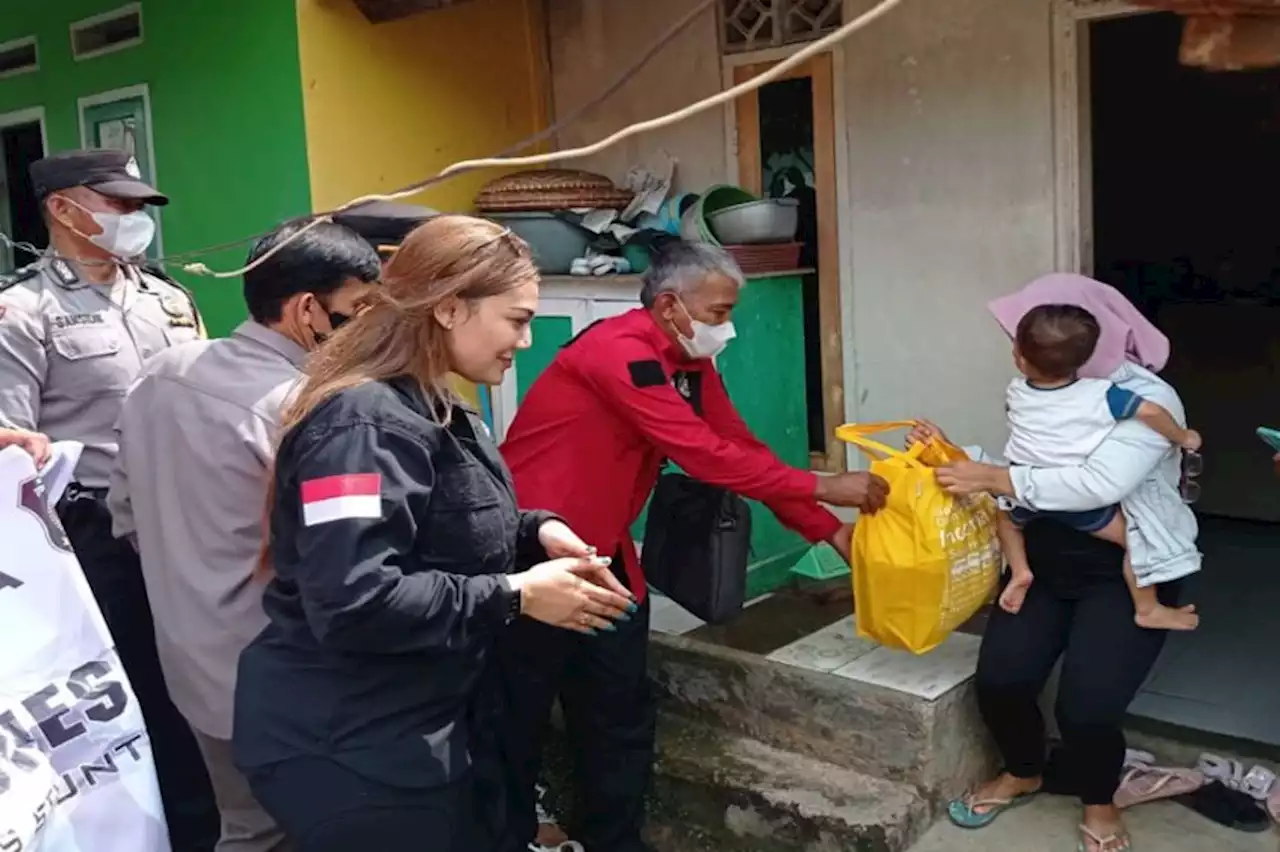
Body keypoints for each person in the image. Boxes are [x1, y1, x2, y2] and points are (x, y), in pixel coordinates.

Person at [231, 214, 637, 852]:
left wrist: (540, 532)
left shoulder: (437, 405)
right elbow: (352, 599)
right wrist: (516, 595)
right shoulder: (363, 426)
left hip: (421, 729)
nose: (525, 342)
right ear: (449, 309)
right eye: (518, 319)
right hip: (351, 745)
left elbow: (446, 523)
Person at [497, 241, 890, 852]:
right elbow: (701, 455)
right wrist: (826, 485)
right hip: (533, 552)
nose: (726, 328)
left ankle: (614, 840)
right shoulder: (615, 352)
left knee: (620, 711)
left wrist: (827, 528)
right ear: (672, 306)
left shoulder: (689, 364)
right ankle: (511, 831)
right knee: (517, 711)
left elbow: (740, 449)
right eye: (718, 312)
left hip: (605, 555)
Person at [107, 220, 382, 851]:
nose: (369, 329)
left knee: (246, 828)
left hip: (187, 661)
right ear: (309, 310)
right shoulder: (308, 409)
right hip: (283, 677)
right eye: (360, 310)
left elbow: (124, 512)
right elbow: (344, 560)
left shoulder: (161, 372)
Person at [930, 273, 1202, 852]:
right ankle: (1024, 769)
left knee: (1087, 707)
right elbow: (1035, 459)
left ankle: (1099, 802)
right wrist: (962, 461)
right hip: (1048, 559)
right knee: (1002, 681)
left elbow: (1097, 482)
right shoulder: (1042, 384)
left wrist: (993, 477)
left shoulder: (1147, 396)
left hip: (1126, 566)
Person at [0, 148, 219, 849]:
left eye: (137, 207)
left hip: (186, 524)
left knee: (201, 686)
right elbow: (11, 436)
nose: (134, 220)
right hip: (95, 538)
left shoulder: (169, 299)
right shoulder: (22, 312)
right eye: (117, 205)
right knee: (135, 696)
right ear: (62, 208)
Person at [995, 303, 1202, 631]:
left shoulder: (1016, 391)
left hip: (1022, 491)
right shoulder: (1102, 395)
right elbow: (1149, 413)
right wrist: (1181, 436)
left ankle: (1020, 571)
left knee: (1005, 520)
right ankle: (1147, 608)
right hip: (1079, 505)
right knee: (1138, 541)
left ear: (1018, 357)